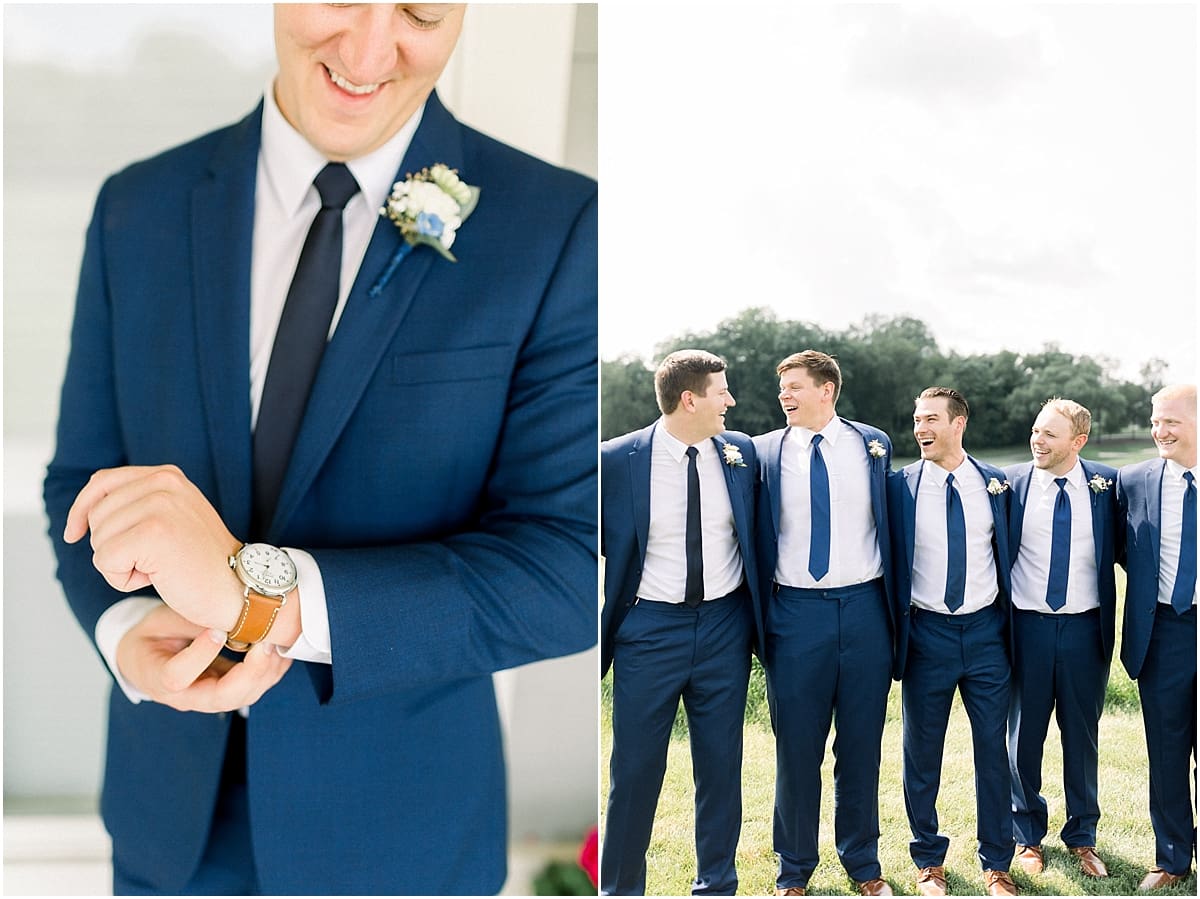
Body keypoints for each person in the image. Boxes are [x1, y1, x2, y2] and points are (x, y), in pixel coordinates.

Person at [43, 5, 597, 895]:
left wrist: (255, 596)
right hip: (168, 827)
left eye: (420, 9)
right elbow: (80, 482)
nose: (370, 51)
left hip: (402, 839)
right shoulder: (135, 208)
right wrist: (127, 628)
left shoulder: (560, 227)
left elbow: (572, 567)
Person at [599, 350, 762, 896]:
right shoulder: (615, 461)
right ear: (689, 399)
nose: (731, 402)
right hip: (649, 632)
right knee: (636, 773)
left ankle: (717, 886)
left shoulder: (740, 453)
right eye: (723, 392)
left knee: (721, 767)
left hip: (725, 627)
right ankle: (620, 889)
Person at [752, 351, 898, 897]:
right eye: (782, 387)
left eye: (794, 386)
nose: (784, 395)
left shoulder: (872, 443)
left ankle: (863, 863)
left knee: (861, 747)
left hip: (865, 611)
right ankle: (793, 871)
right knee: (797, 749)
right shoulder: (760, 452)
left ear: (827, 390)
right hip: (794, 615)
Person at [887, 387, 1018, 897]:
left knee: (993, 750)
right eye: (917, 419)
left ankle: (998, 863)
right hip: (926, 634)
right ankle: (928, 860)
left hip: (987, 634)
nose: (921, 428)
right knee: (922, 752)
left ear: (958, 423)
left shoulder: (995, 484)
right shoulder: (900, 485)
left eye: (932, 419)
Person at [1002, 399, 1119, 879]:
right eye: (1035, 430)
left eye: (1050, 434)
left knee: (1081, 738)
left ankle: (1082, 836)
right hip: (1026, 626)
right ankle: (1026, 836)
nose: (1038, 440)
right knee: (1022, 738)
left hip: (1084, 630)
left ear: (1079, 440)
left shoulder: (1109, 487)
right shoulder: (1008, 484)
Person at [1116, 384, 1197, 892]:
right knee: (1166, 750)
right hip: (1164, 631)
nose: (1159, 431)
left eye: (1171, 421)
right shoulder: (1135, 480)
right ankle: (1172, 858)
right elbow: (1123, 550)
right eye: (1154, 421)